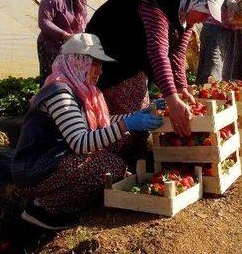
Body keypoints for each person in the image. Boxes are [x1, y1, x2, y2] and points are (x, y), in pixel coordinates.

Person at [12, 33, 164, 230]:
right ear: (78, 61)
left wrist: (135, 116)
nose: (100, 71)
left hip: (57, 158)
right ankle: (43, 209)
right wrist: (127, 124)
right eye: (95, 63)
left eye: (101, 65)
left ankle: (71, 198)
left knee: (121, 142)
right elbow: (80, 142)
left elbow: (102, 123)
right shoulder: (59, 93)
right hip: (37, 168)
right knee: (109, 167)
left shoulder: (83, 90)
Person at [86, 0, 226, 137]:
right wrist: (172, 101)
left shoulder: (185, 16)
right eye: (205, 13)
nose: (204, 20)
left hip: (132, 62)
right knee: (119, 121)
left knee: (140, 119)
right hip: (106, 59)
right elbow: (158, 53)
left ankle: (131, 154)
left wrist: (180, 87)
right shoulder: (156, 4)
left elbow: (177, 55)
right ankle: (116, 156)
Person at [37, 0, 90, 85]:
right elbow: (44, 21)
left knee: (73, 84)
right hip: (52, 49)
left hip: (72, 50)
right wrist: (65, 36)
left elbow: (84, 21)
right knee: (54, 83)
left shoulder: (80, 0)